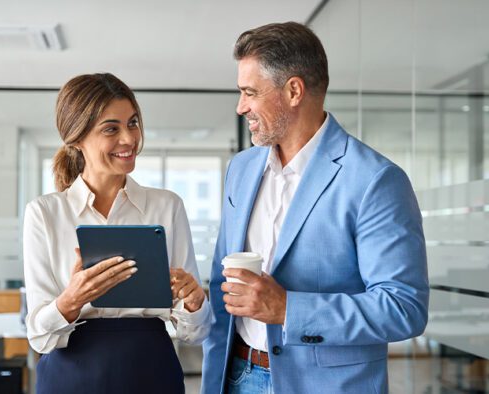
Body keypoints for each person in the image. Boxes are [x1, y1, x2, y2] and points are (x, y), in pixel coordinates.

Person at [202, 22, 429, 394]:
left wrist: (288, 308)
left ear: (293, 91)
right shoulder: (241, 169)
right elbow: (220, 282)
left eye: (249, 92)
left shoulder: (375, 180)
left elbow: (403, 308)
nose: (241, 106)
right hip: (238, 375)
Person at [23, 73, 212, 394]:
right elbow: (40, 337)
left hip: (152, 372)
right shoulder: (44, 213)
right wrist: (71, 300)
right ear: (76, 138)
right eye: (111, 128)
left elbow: (195, 333)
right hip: (70, 376)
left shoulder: (167, 206)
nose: (129, 138)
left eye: (133, 123)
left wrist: (194, 303)